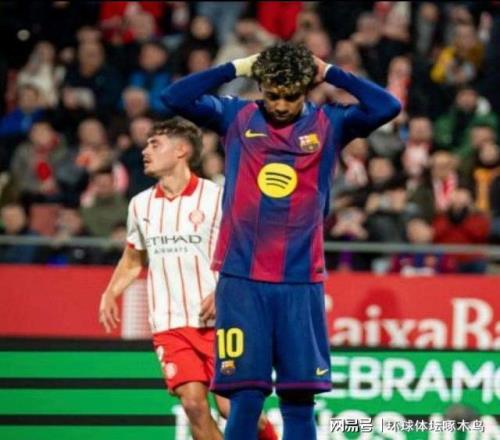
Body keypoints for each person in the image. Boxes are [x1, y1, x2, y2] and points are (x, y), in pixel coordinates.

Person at [161, 42, 401, 439]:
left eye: (291, 96)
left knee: (299, 399)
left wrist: (331, 72)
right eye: (273, 95)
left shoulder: (329, 123)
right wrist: (237, 67)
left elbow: (387, 106)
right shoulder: (237, 116)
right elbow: (174, 97)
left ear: (306, 90)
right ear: (261, 88)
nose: (282, 105)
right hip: (242, 281)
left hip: (300, 280)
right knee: (245, 396)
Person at [98, 117, 276, 440]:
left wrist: (225, 291)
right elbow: (133, 257)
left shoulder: (217, 197)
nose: (145, 151)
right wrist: (111, 292)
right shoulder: (140, 205)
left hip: (223, 321)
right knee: (193, 405)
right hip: (169, 324)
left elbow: (251, 252)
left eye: (155, 144)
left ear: (181, 150)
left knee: (235, 409)